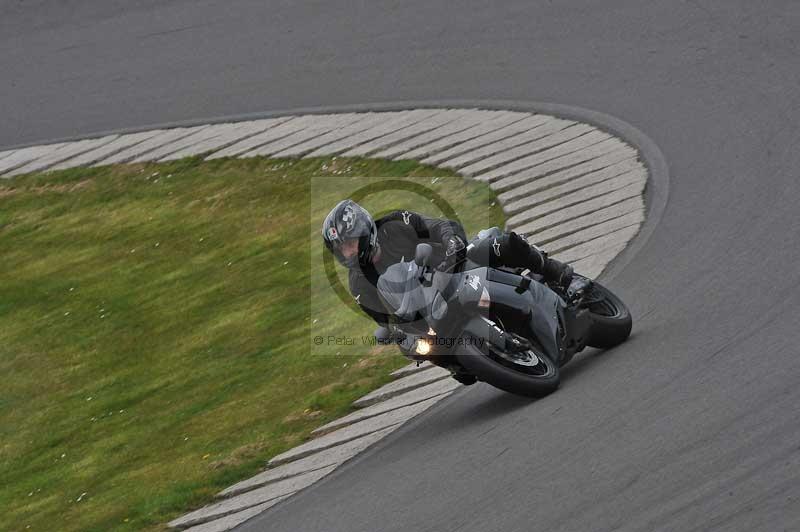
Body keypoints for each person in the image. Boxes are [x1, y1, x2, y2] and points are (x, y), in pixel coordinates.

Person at [321, 199, 575, 328]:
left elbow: (439, 226)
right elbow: (386, 321)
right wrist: (399, 334)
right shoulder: (358, 284)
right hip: (434, 309)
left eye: (350, 243)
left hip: (458, 265)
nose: (348, 252)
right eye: (341, 249)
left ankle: (552, 269)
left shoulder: (395, 224)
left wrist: (453, 242)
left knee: (501, 243)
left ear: (365, 231)